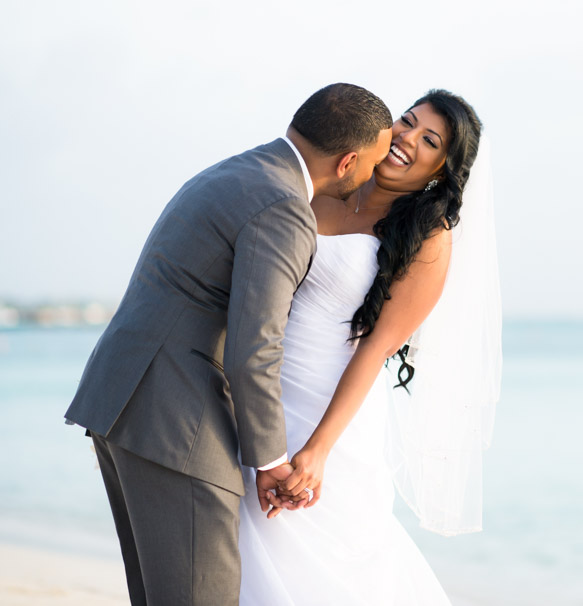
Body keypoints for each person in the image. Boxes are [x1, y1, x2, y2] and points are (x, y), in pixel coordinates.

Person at [64, 83, 393, 605]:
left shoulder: (234, 171)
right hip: (177, 424)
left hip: (123, 402)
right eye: (373, 164)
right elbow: (254, 349)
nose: (373, 175)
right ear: (348, 160)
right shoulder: (285, 208)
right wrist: (271, 463)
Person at [238, 90, 501, 605]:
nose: (407, 138)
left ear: (441, 171)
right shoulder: (327, 189)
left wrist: (317, 450)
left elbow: (376, 347)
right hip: (259, 395)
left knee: (323, 567)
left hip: (331, 415)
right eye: (407, 122)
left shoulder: (428, 237)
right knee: (244, 556)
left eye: (430, 141)